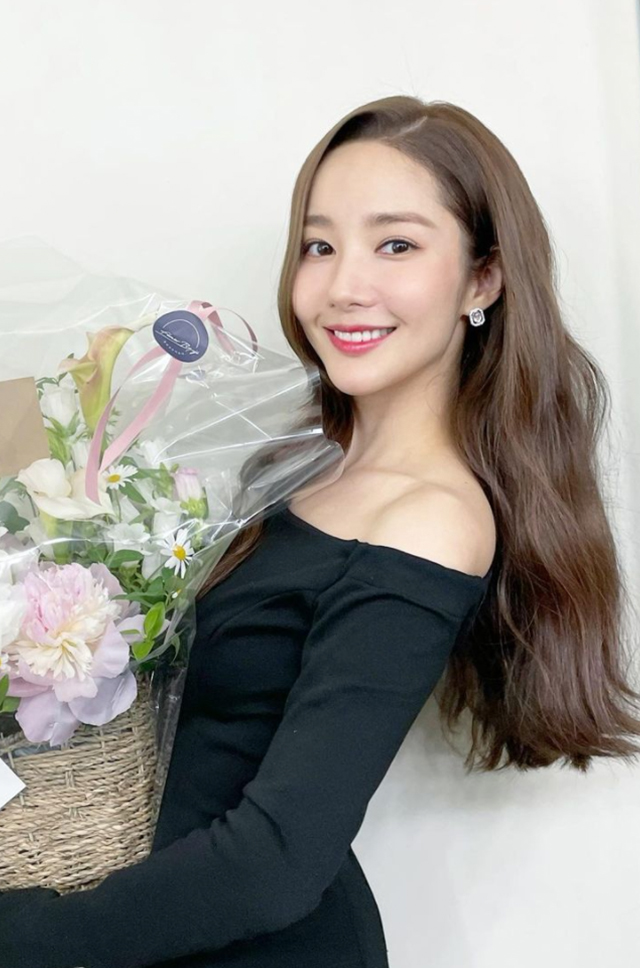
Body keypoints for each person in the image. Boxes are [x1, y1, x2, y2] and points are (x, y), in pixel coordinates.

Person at [2, 95, 639, 968]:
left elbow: (276, 862)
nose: (343, 286)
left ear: (482, 279)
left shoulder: (431, 520)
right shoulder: (297, 465)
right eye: (320, 245)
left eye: (397, 245)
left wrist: (24, 934)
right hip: (149, 927)